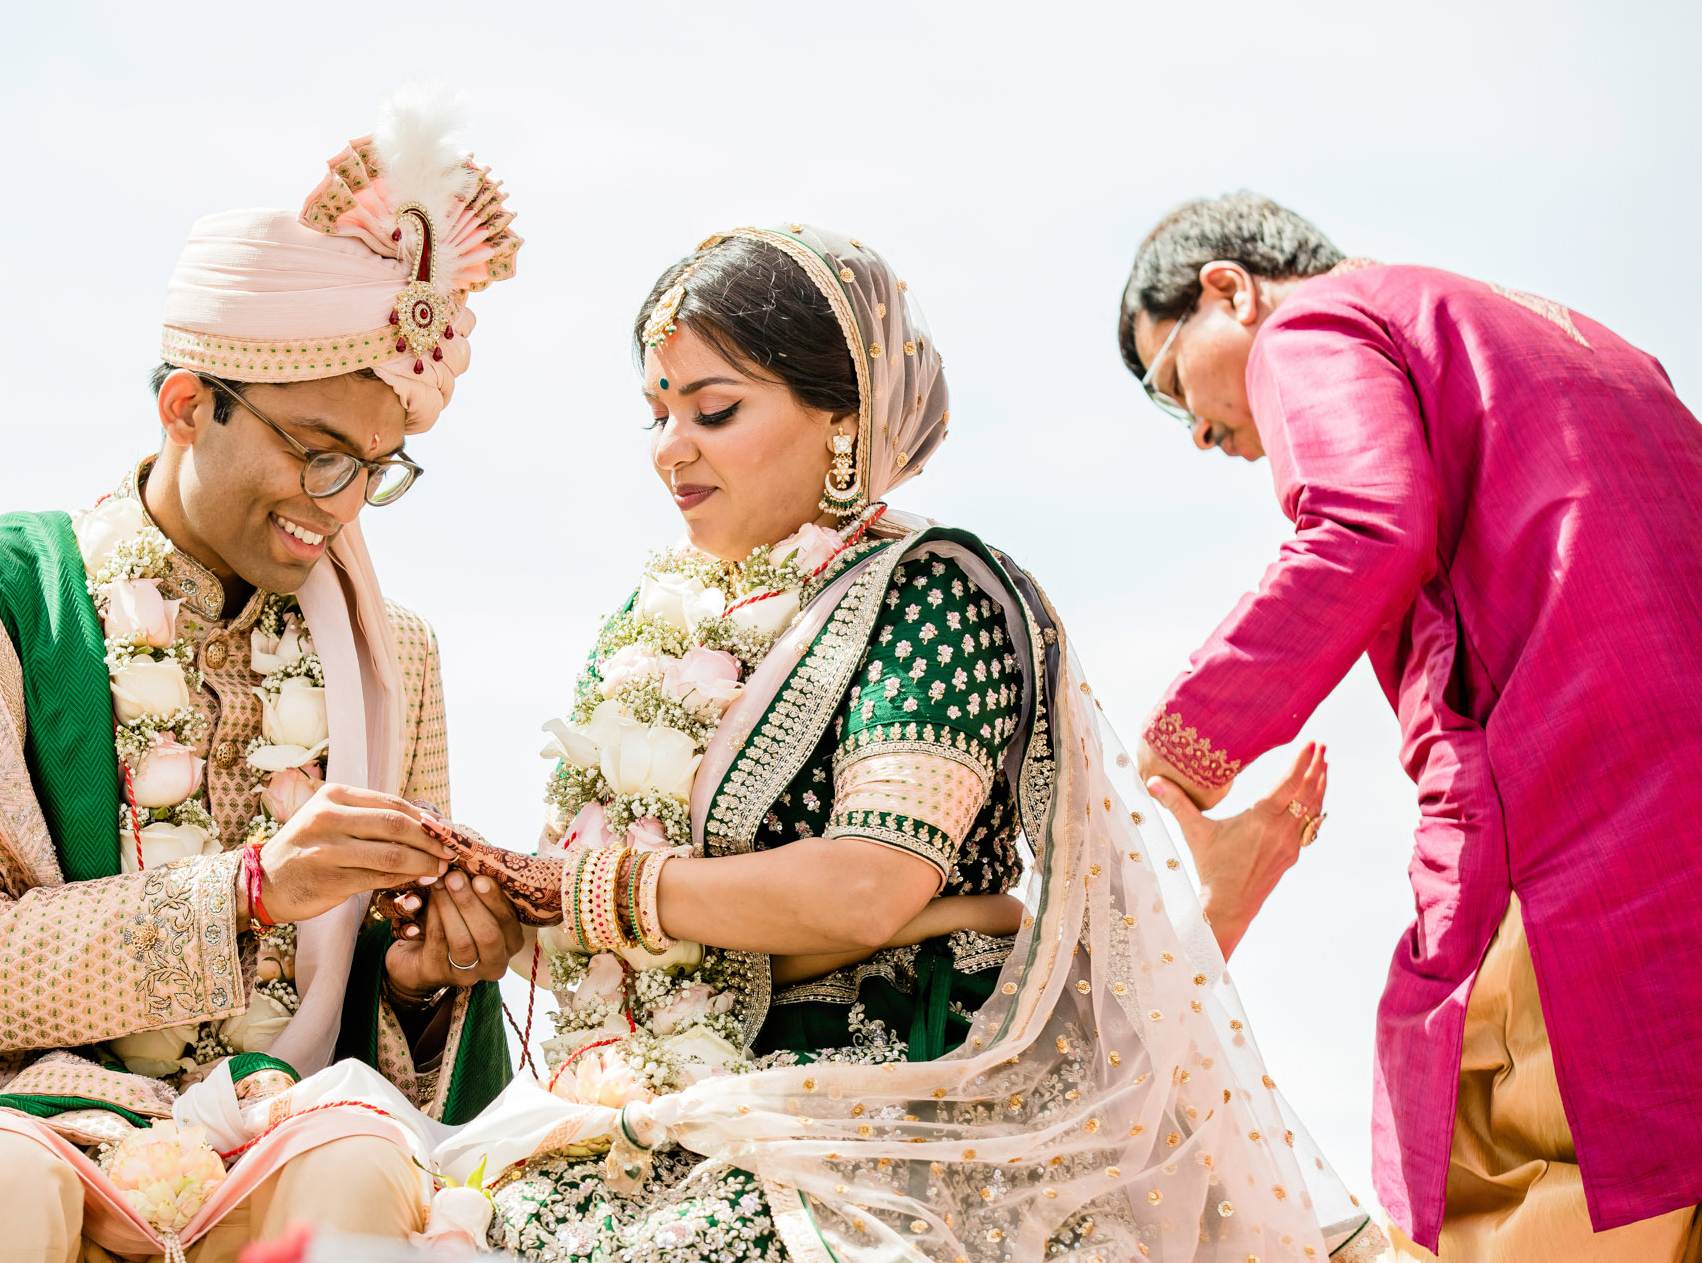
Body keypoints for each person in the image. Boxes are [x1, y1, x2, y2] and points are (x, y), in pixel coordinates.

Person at [410, 225, 1387, 1261]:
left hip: (897, 1083)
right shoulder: (652, 622)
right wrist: (493, 911)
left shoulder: (929, 592)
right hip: (676, 1098)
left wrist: (582, 891)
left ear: (844, 416)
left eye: (714, 410)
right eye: (656, 413)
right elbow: (625, 924)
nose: (670, 449)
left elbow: (871, 884)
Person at [0, 94, 527, 1263]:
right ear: (187, 406)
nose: (338, 507)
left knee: (359, 1160)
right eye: (316, 452)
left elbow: (379, 1038)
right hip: (9, 1113)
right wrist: (245, 894)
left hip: (283, 1127)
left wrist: (418, 976)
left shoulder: (393, 656)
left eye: (377, 470)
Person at [1116, 193, 1702, 1261]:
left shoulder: (1317, 324)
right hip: (1670, 823)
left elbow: (1360, 530)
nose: (1199, 433)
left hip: (1579, 821)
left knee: (1497, 1171)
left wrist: (1172, 760)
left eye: (1168, 389)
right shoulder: (1588, 339)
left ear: (1228, 290)